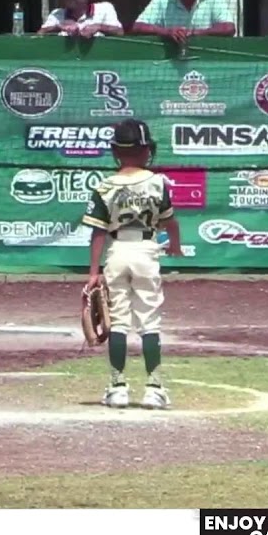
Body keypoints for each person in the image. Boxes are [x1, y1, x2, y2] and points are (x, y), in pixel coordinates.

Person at [81, 119, 183, 410]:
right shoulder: (157, 182)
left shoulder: (104, 186)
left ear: (115, 151)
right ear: (146, 150)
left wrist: (93, 272)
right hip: (146, 251)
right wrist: (175, 245)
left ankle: (117, 388)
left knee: (118, 321)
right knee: (149, 321)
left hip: (117, 252)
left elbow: (98, 232)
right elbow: (170, 222)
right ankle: (154, 388)